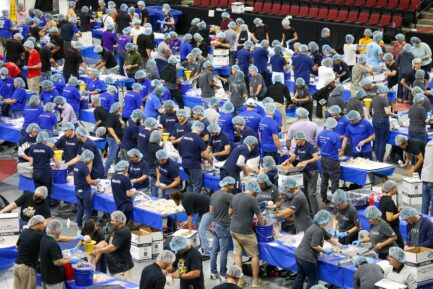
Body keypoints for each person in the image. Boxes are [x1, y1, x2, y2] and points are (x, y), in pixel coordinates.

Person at [229, 181, 267, 288]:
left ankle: (240, 281)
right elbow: (260, 217)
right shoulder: (252, 199)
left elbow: (230, 213)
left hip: (233, 230)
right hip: (246, 232)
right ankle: (256, 281)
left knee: (238, 255)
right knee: (254, 255)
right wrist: (262, 227)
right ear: (254, 191)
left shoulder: (235, 196)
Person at [293, 210, 342, 289]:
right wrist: (325, 251)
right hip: (307, 258)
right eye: (328, 220)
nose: (328, 222)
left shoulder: (318, 227)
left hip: (299, 255)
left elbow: (328, 238)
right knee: (312, 279)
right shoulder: (317, 230)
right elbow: (314, 245)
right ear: (324, 220)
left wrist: (341, 246)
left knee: (300, 277)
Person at [283, 131, 319, 215]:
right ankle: (308, 211)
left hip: (312, 171)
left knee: (311, 194)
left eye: (297, 140)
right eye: (295, 140)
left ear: (302, 139)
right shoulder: (298, 146)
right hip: (303, 171)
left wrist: (307, 161)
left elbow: (316, 158)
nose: (296, 141)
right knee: (305, 192)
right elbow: (294, 156)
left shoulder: (309, 146)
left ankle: (316, 213)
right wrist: (288, 160)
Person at [91, 211, 134, 280]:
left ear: (118, 221)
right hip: (114, 265)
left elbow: (112, 247)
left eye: (112, 220)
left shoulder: (123, 232)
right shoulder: (115, 229)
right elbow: (105, 242)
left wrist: (97, 250)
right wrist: (94, 246)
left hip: (122, 268)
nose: (111, 222)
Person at [170, 190, 212, 260]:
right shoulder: (184, 195)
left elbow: (190, 216)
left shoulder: (185, 201)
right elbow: (192, 211)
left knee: (201, 231)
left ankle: (207, 254)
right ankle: (204, 248)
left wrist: (189, 230)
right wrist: (187, 221)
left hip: (209, 209)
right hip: (204, 208)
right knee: (199, 228)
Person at [40, 219, 80, 288]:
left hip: (45, 276)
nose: (61, 232)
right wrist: (70, 260)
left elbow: (60, 238)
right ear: (56, 231)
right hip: (54, 280)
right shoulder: (52, 243)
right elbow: (57, 262)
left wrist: (75, 238)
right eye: (60, 230)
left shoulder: (44, 238)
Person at [210, 177, 235, 281]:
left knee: (214, 250)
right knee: (224, 251)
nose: (233, 187)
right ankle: (223, 274)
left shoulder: (214, 194)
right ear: (226, 185)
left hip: (214, 225)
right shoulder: (228, 196)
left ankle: (213, 272)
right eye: (232, 185)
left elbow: (211, 210)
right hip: (223, 226)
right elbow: (239, 202)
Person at [13, 215, 46, 289]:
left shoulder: (24, 232)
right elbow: (55, 238)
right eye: (43, 223)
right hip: (26, 268)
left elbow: (17, 247)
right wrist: (75, 238)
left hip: (16, 266)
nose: (44, 226)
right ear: (37, 224)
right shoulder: (40, 235)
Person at [28, 131, 60, 205]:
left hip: (36, 174)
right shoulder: (48, 149)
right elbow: (57, 162)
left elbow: (31, 163)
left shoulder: (32, 148)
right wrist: (57, 166)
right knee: (46, 194)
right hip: (45, 174)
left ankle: (37, 207)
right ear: (45, 139)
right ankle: (46, 208)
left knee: (37, 193)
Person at [317, 117, 342, 204]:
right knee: (334, 181)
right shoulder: (336, 136)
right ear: (335, 125)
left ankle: (323, 198)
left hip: (323, 159)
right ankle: (336, 201)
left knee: (324, 179)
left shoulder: (320, 133)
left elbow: (318, 146)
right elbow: (339, 150)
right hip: (332, 160)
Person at [179, 121, 208, 193]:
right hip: (194, 164)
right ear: (200, 130)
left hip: (184, 163)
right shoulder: (199, 139)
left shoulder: (184, 137)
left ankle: (188, 201)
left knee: (190, 184)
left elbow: (180, 150)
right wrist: (210, 161)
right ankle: (195, 201)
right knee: (196, 185)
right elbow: (205, 154)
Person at [73, 149, 98, 228]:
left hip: (77, 190)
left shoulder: (77, 165)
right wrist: (96, 182)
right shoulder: (84, 167)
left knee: (80, 209)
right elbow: (89, 181)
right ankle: (87, 228)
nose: (90, 161)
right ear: (87, 158)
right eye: (90, 160)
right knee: (88, 211)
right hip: (85, 191)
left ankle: (79, 226)